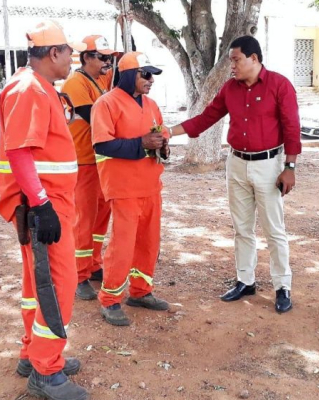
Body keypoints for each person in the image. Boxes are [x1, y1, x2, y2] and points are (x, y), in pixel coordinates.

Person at [169, 36, 300, 314]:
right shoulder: (230, 88)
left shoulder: (279, 85)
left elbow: (292, 127)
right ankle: (245, 280)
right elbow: (206, 118)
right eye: (231, 60)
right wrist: (169, 131)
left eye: (236, 59)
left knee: (274, 229)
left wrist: (290, 167)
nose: (232, 66)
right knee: (242, 228)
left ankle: (282, 286)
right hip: (236, 163)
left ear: (254, 59)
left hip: (269, 165)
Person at [0, 20, 89, 400]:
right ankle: (45, 372)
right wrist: (42, 205)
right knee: (58, 285)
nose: (72, 61)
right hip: (43, 208)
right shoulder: (30, 89)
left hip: (45, 205)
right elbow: (19, 152)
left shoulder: (36, 87)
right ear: (54, 53)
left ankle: (32, 355)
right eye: (70, 53)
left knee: (37, 285)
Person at [90, 51, 170, 326]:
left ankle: (140, 291)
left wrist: (163, 144)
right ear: (127, 75)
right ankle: (110, 300)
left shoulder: (151, 104)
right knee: (122, 246)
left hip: (150, 186)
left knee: (149, 244)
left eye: (152, 75)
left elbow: (162, 133)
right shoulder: (106, 104)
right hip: (123, 188)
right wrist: (142, 144)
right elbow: (102, 144)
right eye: (145, 74)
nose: (151, 80)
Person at [61, 35, 116, 301]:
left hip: (101, 160)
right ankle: (78, 274)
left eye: (109, 57)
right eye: (103, 57)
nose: (108, 62)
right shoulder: (75, 83)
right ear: (86, 58)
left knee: (100, 217)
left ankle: (93, 264)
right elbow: (96, 117)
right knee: (84, 219)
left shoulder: (101, 78)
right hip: (83, 160)